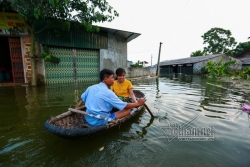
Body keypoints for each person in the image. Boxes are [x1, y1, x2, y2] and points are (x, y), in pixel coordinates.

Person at [75, 69, 145, 126]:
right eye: (112, 77)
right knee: (128, 110)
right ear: (105, 79)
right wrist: (138, 104)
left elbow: (82, 99)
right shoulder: (108, 92)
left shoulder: (91, 87)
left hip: (88, 117)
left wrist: (75, 109)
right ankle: (110, 117)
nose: (113, 79)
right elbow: (125, 106)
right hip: (100, 121)